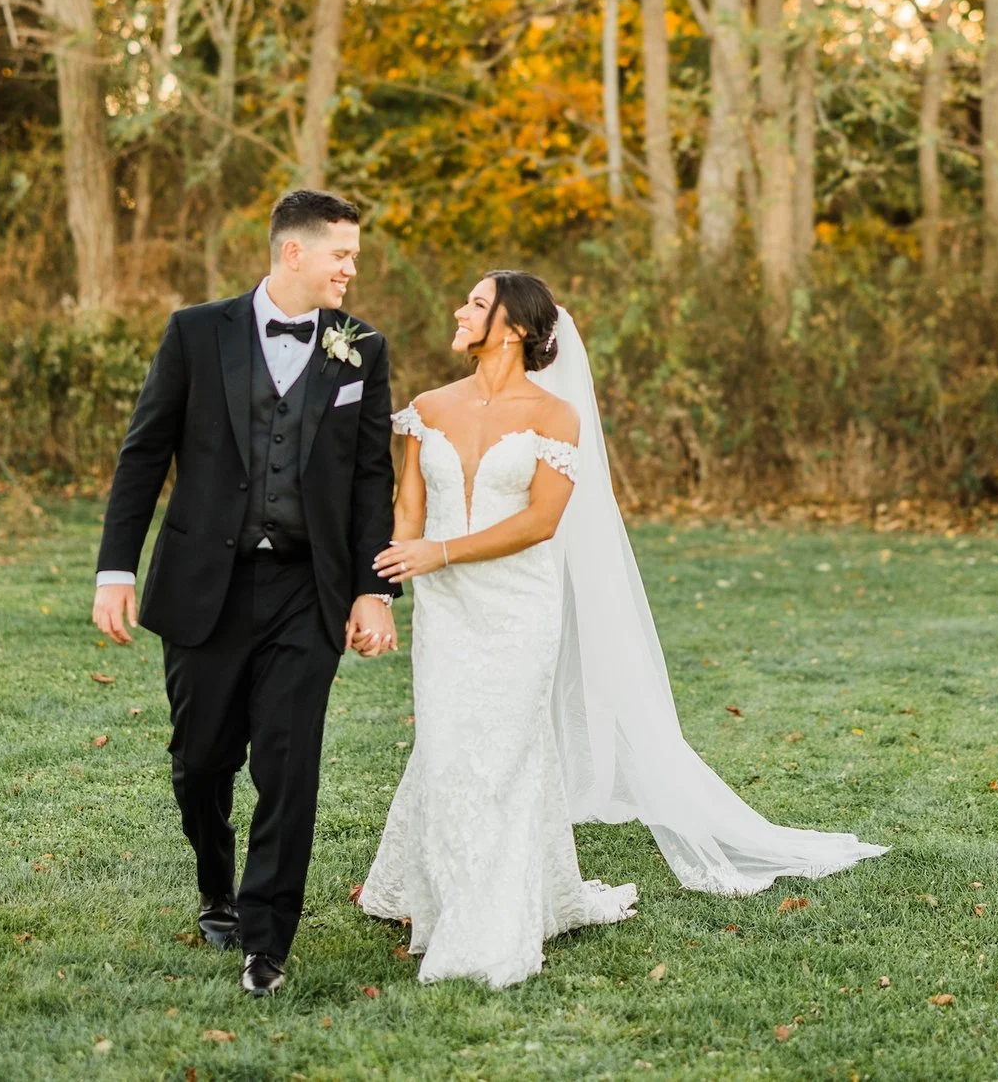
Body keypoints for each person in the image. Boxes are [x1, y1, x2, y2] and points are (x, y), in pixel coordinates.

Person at [361, 271, 887, 989]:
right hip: (447, 607)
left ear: (513, 328)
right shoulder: (427, 409)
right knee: (451, 744)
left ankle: (488, 919)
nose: (460, 309)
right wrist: (390, 586)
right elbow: (408, 509)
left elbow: (541, 521)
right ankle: (437, 886)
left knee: (508, 747)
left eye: (478, 304)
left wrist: (442, 551)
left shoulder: (555, 417)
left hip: (519, 605)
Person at [92, 189, 400, 997]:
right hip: (207, 586)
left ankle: (268, 942)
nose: (352, 268)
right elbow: (142, 453)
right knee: (200, 763)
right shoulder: (197, 333)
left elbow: (373, 479)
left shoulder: (361, 349)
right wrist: (114, 569)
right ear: (293, 253)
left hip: (308, 588)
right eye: (342, 253)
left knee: (289, 764)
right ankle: (214, 886)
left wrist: (373, 589)